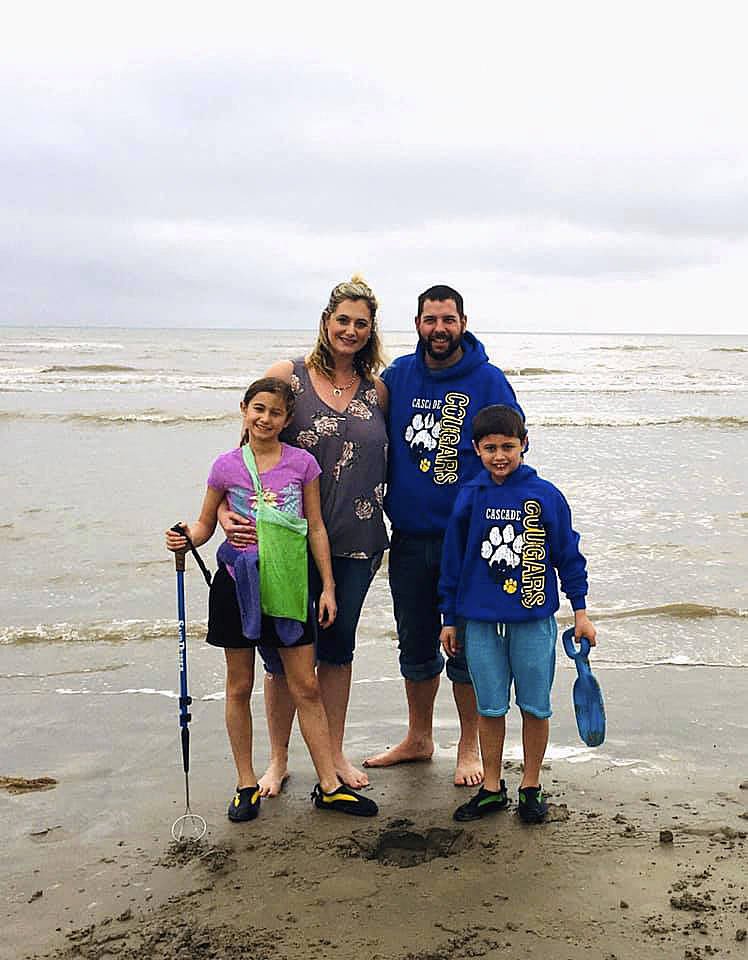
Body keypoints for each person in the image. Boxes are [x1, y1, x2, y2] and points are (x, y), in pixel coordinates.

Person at [165, 377, 378, 821]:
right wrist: (185, 538)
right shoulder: (225, 466)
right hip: (235, 582)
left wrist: (329, 587)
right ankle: (246, 784)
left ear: (287, 419)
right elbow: (205, 526)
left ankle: (329, 784)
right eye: (258, 409)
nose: (265, 418)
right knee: (239, 685)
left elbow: (315, 527)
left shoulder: (302, 464)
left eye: (275, 412)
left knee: (307, 685)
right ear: (243, 409)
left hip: (291, 582)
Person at [218, 276, 388, 795]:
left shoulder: (378, 390)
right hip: (285, 545)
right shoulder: (286, 376)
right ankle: (278, 759)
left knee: (337, 651)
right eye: (343, 320)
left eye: (361, 323)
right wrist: (225, 511)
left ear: (371, 330)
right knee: (283, 656)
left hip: (357, 542)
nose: (351, 330)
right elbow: (245, 455)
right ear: (325, 321)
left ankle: (332, 755)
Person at [363, 285, 523, 787]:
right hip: (409, 535)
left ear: (463, 321)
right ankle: (418, 737)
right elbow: (355, 423)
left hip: (474, 543)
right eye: (430, 320)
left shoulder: (488, 380)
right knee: (415, 642)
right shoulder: (398, 378)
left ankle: (468, 746)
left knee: (467, 645)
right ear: (416, 324)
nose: (439, 329)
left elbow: (510, 454)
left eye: (447, 319)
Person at [439, 404, 596, 824]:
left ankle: (530, 786)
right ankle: (491, 788)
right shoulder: (471, 496)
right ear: (475, 449)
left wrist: (580, 612)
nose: (500, 456)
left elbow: (568, 556)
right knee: (489, 709)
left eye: (508, 446)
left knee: (534, 707)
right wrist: (449, 617)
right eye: (490, 448)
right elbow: (453, 561)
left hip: (534, 624)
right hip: (481, 624)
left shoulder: (546, 495)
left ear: (524, 444)